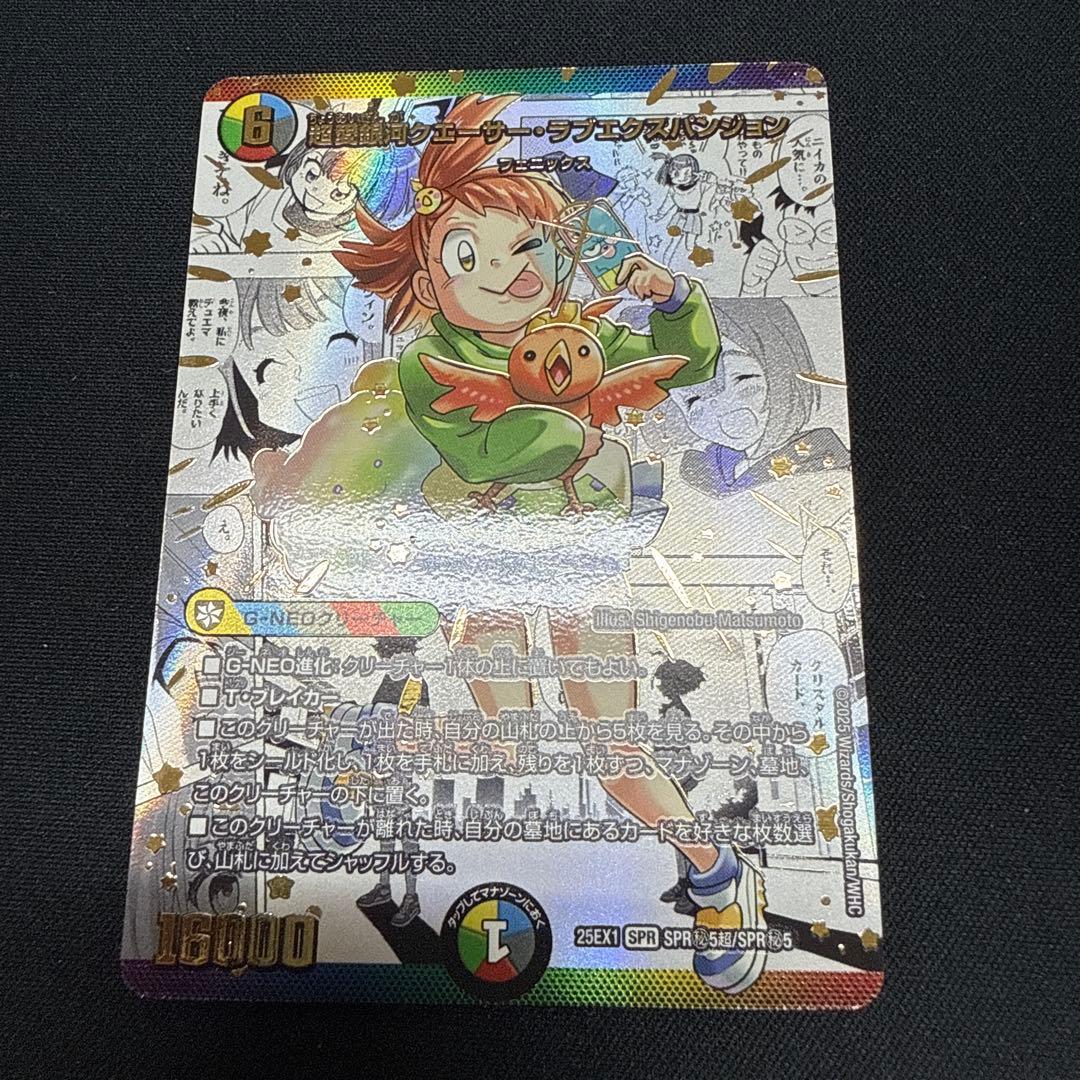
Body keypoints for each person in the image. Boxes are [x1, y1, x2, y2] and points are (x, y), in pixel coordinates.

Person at [335, 93, 767, 994]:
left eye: (525, 245)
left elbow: (685, 362)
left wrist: (673, 299)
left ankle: (715, 873)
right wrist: (578, 431)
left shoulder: (581, 333)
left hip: (581, 563)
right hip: (488, 561)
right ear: (431, 277)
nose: (505, 271)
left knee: (612, 743)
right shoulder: (430, 360)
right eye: (470, 254)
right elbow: (485, 449)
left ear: (559, 250)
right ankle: (363, 776)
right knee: (508, 733)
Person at [671, 298, 850, 496]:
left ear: (781, 368)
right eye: (692, 400)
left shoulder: (827, 462)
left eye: (742, 379)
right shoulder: (699, 467)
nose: (718, 406)